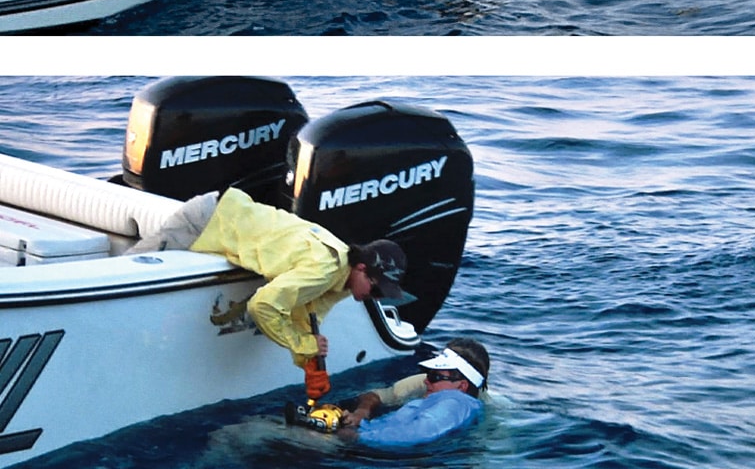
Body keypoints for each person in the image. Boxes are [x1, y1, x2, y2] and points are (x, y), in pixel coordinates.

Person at [127, 187, 408, 399]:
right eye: (376, 288)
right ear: (361, 268)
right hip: (208, 220)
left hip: (224, 218)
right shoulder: (324, 270)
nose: (376, 296)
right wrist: (304, 346)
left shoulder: (342, 280)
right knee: (128, 274)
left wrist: (311, 367)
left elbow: (304, 315)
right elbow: (262, 306)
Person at [338, 338, 490, 449]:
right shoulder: (447, 392)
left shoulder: (455, 402)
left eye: (435, 376)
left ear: (462, 386)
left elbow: (421, 431)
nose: (426, 381)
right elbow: (374, 395)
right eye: (429, 373)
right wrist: (361, 413)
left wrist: (355, 437)